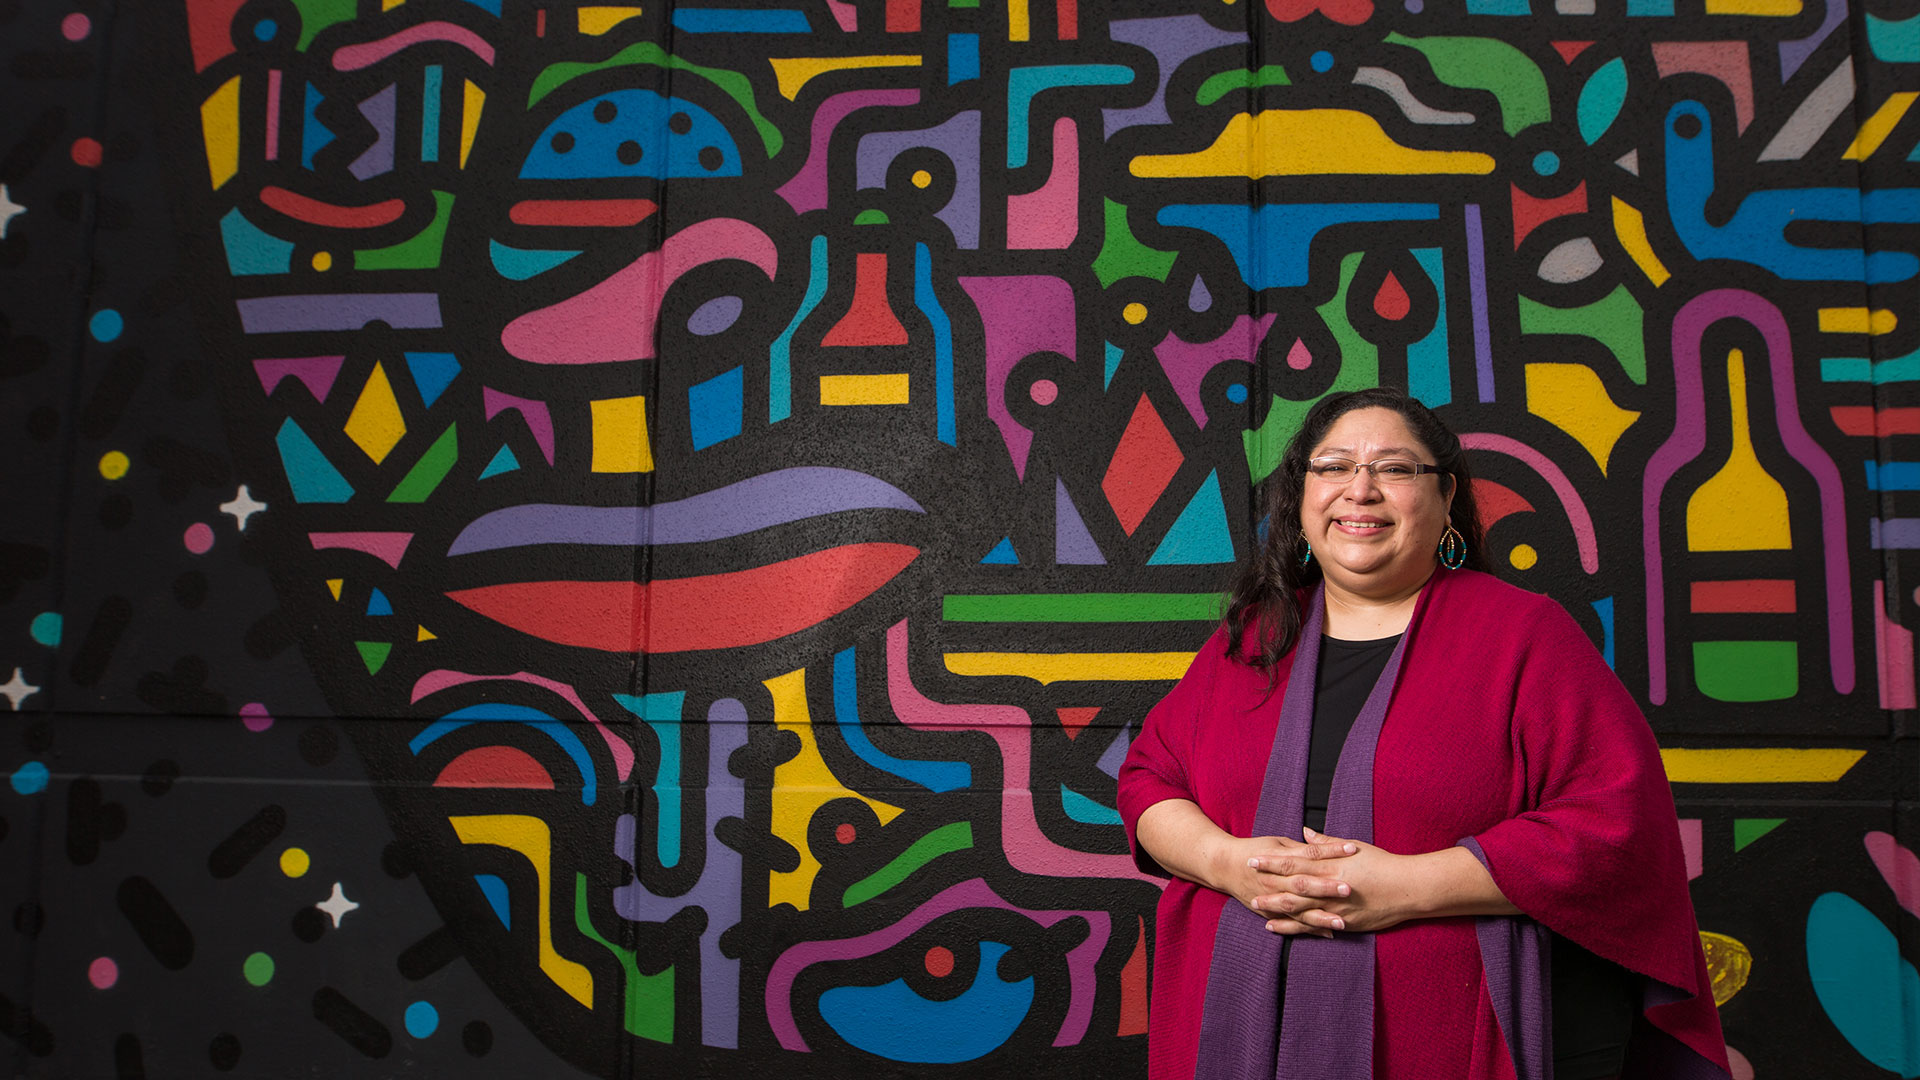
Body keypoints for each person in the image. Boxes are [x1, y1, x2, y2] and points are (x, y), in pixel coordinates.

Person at [1118, 387, 1729, 1080]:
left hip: (1446, 1032)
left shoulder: (1525, 636)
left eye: (1396, 469)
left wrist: (1406, 887)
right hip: (1236, 1016)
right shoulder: (1254, 636)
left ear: (1445, 502)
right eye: (1334, 466)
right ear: (1300, 498)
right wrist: (1226, 863)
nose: (1361, 490)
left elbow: (1615, 824)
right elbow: (1148, 780)